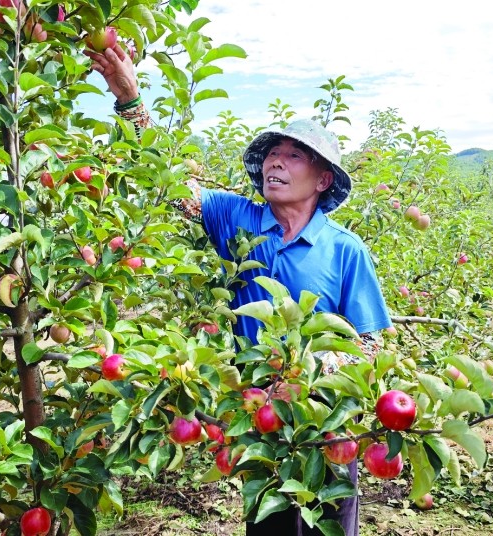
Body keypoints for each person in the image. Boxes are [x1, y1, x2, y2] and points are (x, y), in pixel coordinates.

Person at [87, 44, 393, 536]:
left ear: (322, 179)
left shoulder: (345, 250)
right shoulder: (239, 220)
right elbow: (168, 182)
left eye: (294, 155)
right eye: (272, 153)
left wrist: (312, 372)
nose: (277, 161)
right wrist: (129, 99)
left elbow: (373, 345)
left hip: (327, 427)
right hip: (260, 422)